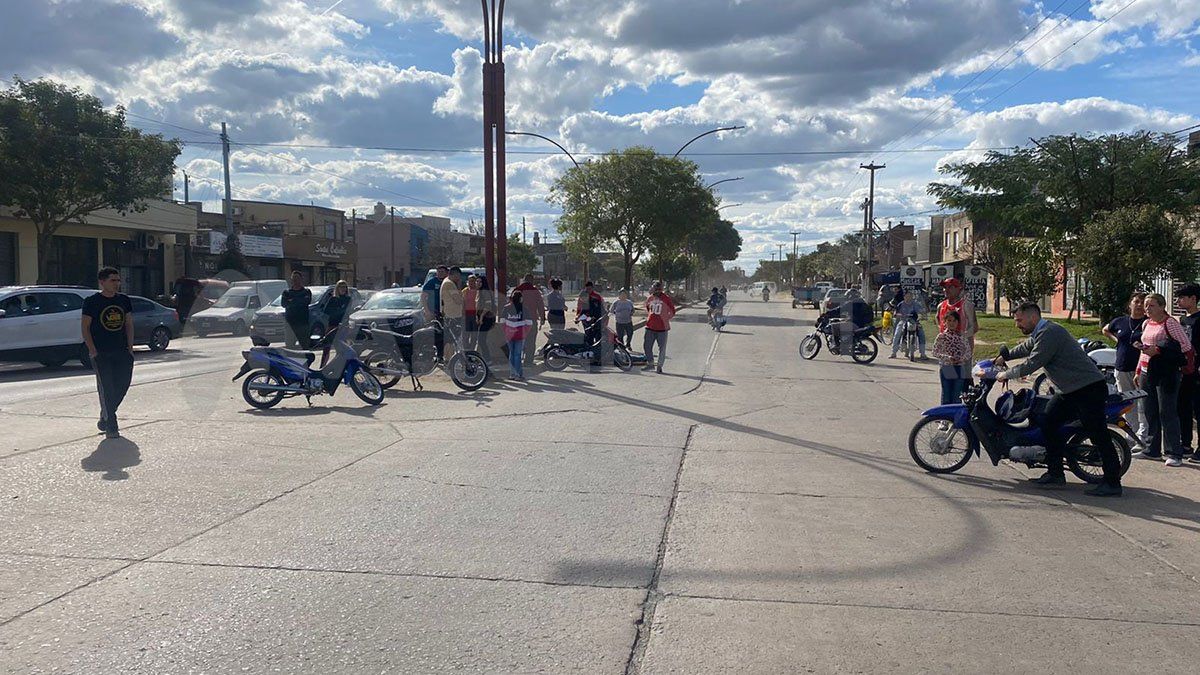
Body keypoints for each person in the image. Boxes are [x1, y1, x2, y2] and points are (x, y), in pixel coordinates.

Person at [994, 303, 1123, 496]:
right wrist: (1005, 356)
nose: (1017, 325)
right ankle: (1055, 473)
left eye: (1019, 320)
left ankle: (1113, 483)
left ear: (1032, 318)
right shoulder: (1041, 332)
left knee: (1098, 434)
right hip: (1069, 391)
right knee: (1047, 421)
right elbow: (1026, 348)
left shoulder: (1050, 333)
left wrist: (1007, 374)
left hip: (1088, 389)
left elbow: (1034, 362)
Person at [1133, 293, 1194, 467]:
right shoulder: (1146, 323)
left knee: (1166, 412)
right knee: (1150, 410)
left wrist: (1159, 350)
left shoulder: (1170, 323)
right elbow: (1143, 350)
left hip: (1166, 373)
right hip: (1147, 372)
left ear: (1161, 306)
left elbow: (1185, 345)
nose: (1147, 309)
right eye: (1146, 305)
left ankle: (1174, 451)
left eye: (1151, 305)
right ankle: (1152, 449)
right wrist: (1138, 370)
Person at [83, 267, 135, 439]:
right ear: (102, 282)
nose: (117, 283)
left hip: (122, 351)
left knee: (122, 385)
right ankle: (111, 425)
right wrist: (92, 350)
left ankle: (105, 414)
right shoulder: (92, 302)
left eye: (118, 280)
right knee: (107, 388)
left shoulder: (124, 300)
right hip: (101, 352)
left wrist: (130, 347)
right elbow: (85, 328)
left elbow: (128, 324)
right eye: (113, 280)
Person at [1103, 292, 1149, 452]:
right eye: (1136, 301)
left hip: (1140, 369)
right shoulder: (1121, 321)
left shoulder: (1148, 323)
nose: (1139, 305)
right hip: (1121, 367)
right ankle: (1132, 436)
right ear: (1130, 304)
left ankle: (1143, 437)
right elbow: (1105, 329)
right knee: (1127, 404)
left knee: (1142, 403)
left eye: (1142, 302)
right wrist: (1116, 339)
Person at [1175, 284, 1200, 462]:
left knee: (1198, 409)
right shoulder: (1183, 320)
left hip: (1198, 370)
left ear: (1193, 299)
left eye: (1182, 297)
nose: (1179, 301)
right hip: (1184, 370)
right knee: (1182, 406)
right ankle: (1185, 444)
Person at [931, 311, 970, 404]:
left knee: (957, 394)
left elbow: (968, 352)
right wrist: (947, 357)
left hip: (959, 367)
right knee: (947, 394)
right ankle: (944, 417)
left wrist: (962, 358)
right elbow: (935, 352)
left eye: (954, 321)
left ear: (958, 323)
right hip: (947, 367)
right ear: (944, 322)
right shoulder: (942, 336)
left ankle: (956, 417)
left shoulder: (961, 336)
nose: (952, 323)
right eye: (949, 321)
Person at [937, 278, 977, 354]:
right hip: (946, 350)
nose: (946, 290)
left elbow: (974, 327)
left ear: (958, 289)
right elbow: (938, 320)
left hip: (963, 350)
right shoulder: (941, 306)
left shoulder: (966, 305)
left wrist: (961, 337)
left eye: (950, 287)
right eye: (945, 287)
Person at [643, 281, 676, 373]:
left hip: (662, 328)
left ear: (661, 290)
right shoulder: (650, 298)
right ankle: (650, 363)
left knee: (662, 348)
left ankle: (659, 366)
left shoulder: (666, 298)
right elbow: (648, 308)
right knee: (647, 346)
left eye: (658, 289)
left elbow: (672, 310)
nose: (656, 291)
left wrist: (666, 318)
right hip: (650, 326)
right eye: (655, 288)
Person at [830, 289, 873, 355]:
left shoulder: (852, 303)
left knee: (834, 326)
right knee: (841, 322)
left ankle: (836, 345)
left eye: (848, 296)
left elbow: (839, 309)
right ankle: (844, 344)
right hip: (860, 324)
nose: (847, 297)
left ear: (851, 296)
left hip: (854, 324)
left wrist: (827, 313)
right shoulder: (861, 302)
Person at [320, 280, 352, 367]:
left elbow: (348, 313)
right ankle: (322, 367)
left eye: (345, 287)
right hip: (332, 326)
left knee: (342, 349)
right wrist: (337, 310)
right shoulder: (333, 299)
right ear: (337, 289)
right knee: (326, 348)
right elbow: (326, 311)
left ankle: (339, 368)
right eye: (341, 287)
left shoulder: (348, 299)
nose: (343, 289)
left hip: (343, 327)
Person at [515, 274, 546, 366]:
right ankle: (528, 361)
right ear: (532, 281)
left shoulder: (518, 289)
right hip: (531, 319)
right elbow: (540, 305)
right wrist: (542, 318)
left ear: (524, 280)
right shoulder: (535, 291)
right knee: (531, 341)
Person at [501, 288, 531, 381]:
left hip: (509, 334)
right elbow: (529, 323)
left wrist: (506, 331)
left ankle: (512, 374)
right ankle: (518, 374)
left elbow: (502, 322)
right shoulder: (524, 309)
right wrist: (525, 333)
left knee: (511, 354)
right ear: (521, 299)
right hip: (520, 335)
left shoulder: (506, 308)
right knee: (518, 354)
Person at [889, 290, 928, 359]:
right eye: (907, 296)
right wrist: (897, 314)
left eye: (910, 296)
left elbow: (921, 310)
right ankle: (893, 353)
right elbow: (896, 313)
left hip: (914, 321)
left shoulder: (915, 304)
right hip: (903, 321)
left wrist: (923, 314)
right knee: (897, 333)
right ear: (904, 297)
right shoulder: (901, 304)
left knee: (921, 333)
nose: (908, 297)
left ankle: (923, 354)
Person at [281, 271, 313, 349]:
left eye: (297, 278)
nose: (295, 280)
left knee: (305, 347)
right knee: (290, 348)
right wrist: (298, 301)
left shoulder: (306, 292)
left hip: (303, 324)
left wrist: (292, 301)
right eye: (294, 278)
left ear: (301, 279)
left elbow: (306, 302)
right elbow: (284, 304)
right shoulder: (286, 293)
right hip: (290, 325)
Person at [423, 265, 448, 360]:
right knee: (431, 334)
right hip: (433, 313)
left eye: (442, 271)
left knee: (443, 336)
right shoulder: (432, 282)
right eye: (439, 271)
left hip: (445, 314)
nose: (440, 273)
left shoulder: (448, 282)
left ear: (446, 273)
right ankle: (429, 355)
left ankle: (441, 355)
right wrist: (427, 310)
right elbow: (423, 296)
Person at [440, 267, 465, 358]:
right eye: (458, 276)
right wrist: (459, 287)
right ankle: (449, 357)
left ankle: (448, 357)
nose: (459, 278)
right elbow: (458, 300)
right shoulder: (450, 284)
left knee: (450, 338)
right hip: (453, 315)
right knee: (452, 338)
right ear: (455, 274)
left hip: (450, 313)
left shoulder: (446, 282)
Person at [476, 275, 496, 364]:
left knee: (481, 339)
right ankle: (483, 357)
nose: (478, 283)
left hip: (487, 318)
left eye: (480, 282)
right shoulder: (479, 292)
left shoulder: (485, 292)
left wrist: (481, 317)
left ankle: (488, 359)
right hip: (481, 317)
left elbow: (488, 305)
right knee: (480, 339)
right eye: (477, 281)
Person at [463, 275, 480, 351]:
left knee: (474, 335)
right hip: (466, 315)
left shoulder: (478, 291)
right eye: (469, 281)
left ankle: (472, 350)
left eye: (473, 281)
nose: (471, 283)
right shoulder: (464, 291)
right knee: (466, 334)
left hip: (475, 315)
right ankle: (466, 350)